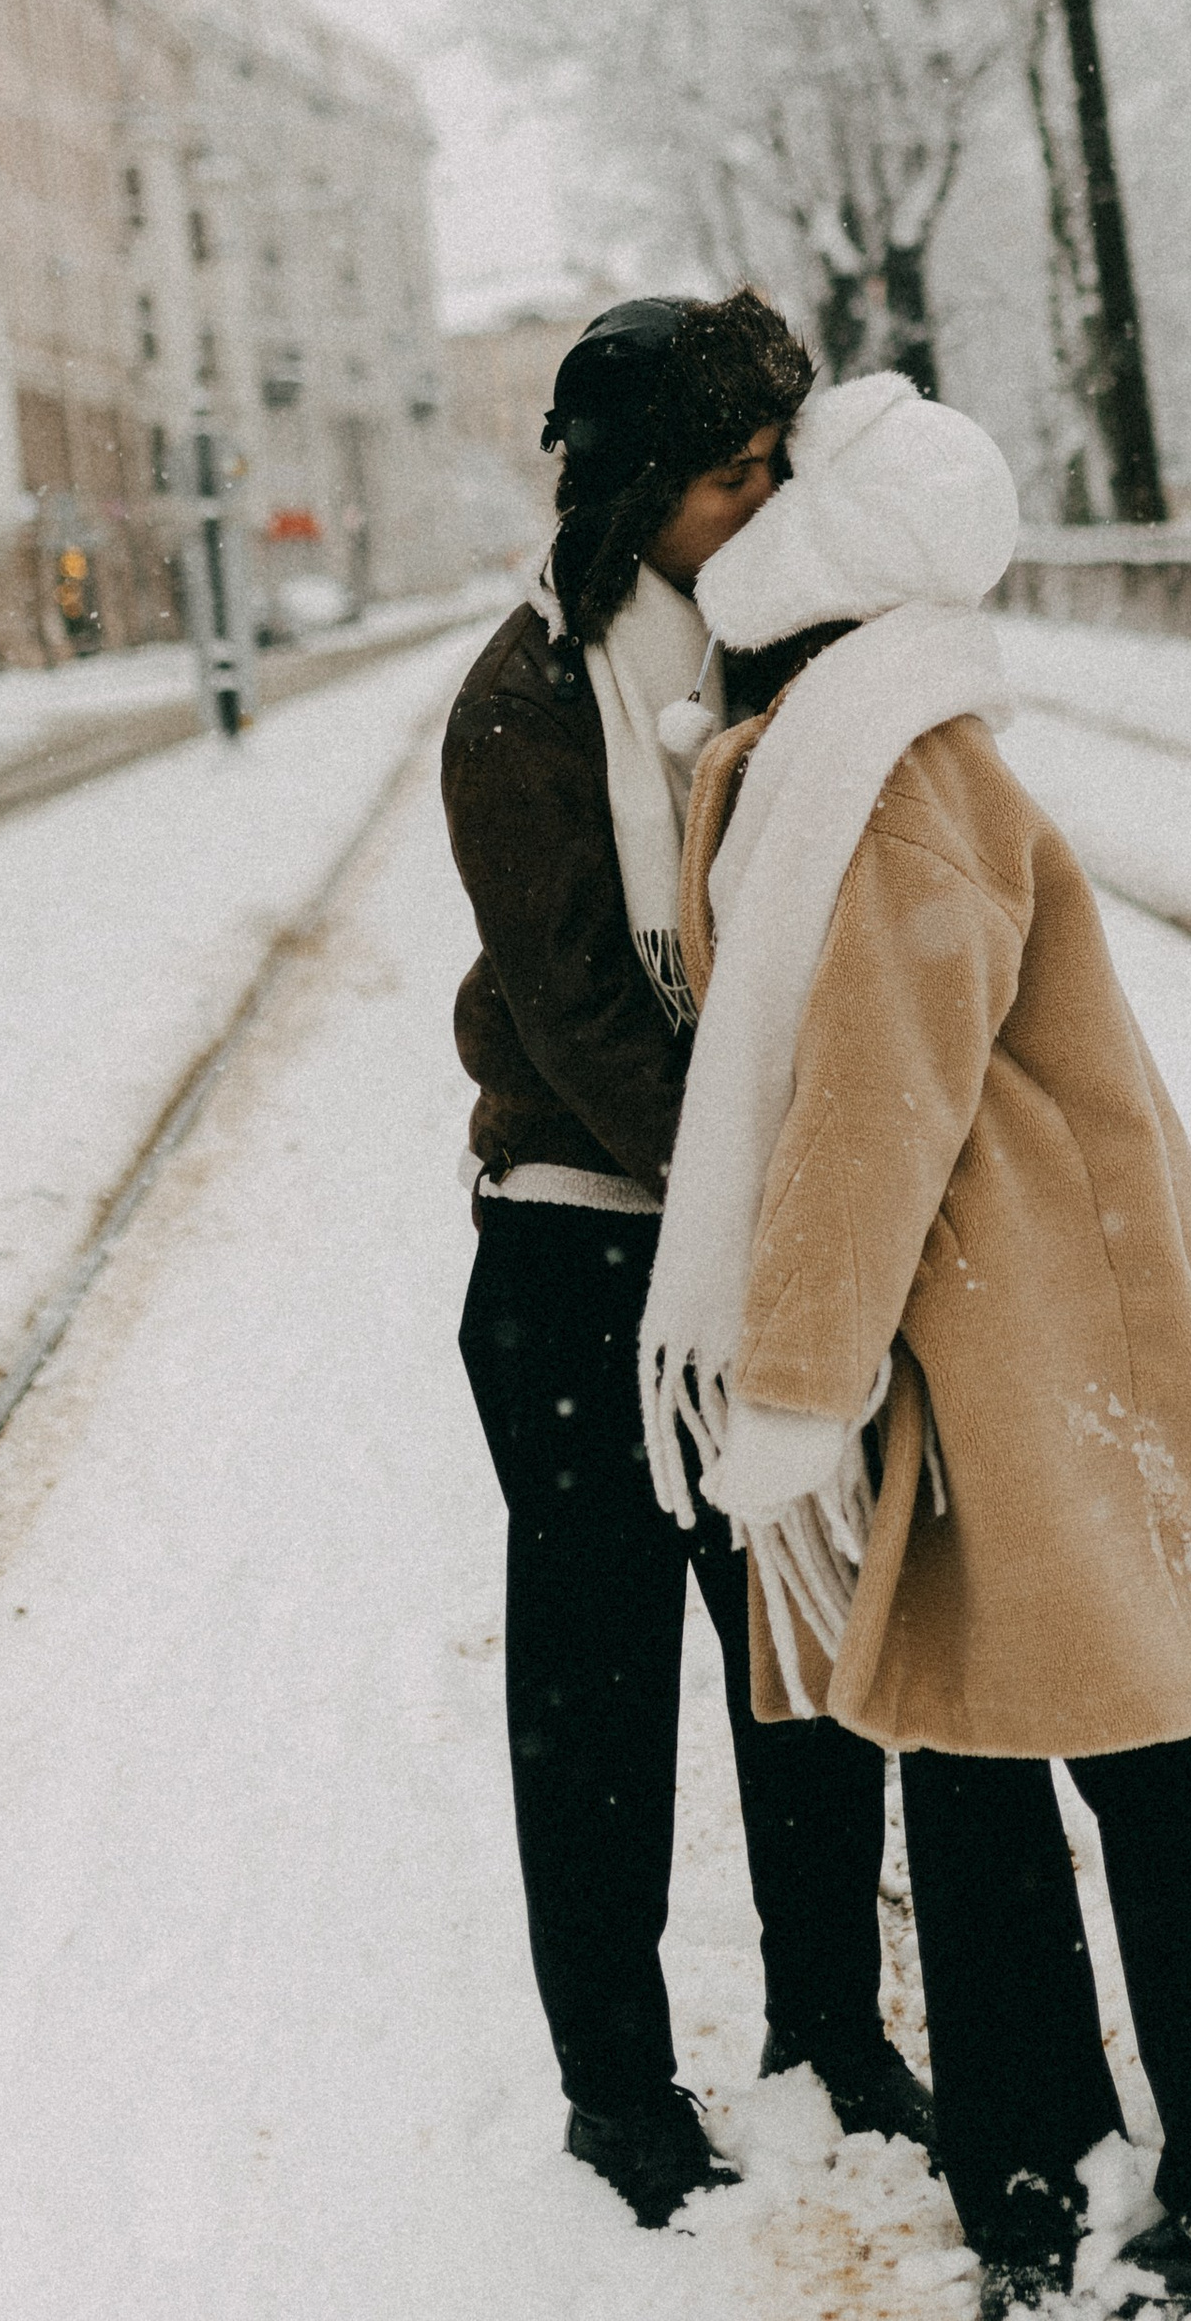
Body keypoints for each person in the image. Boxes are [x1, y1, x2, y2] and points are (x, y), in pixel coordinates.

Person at [643, 372, 1191, 2314]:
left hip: (1029, 1332)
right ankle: (1036, 2179)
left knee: (1129, 1748)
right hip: (977, 1336)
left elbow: (873, 1095)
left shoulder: (879, 763)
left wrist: (794, 1382)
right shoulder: (853, 743)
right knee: (977, 1750)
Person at [442, 293, 932, 2232]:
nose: (760, 503)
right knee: (595, 1688)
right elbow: (571, 1011)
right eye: (731, 475)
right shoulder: (522, 699)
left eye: (770, 472)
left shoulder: (784, 662)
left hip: (765, 1248)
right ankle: (617, 2085)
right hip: (580, 1255)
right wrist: (751, 1195)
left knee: (800, 1657)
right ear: (641, 491)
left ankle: (829, 2024)